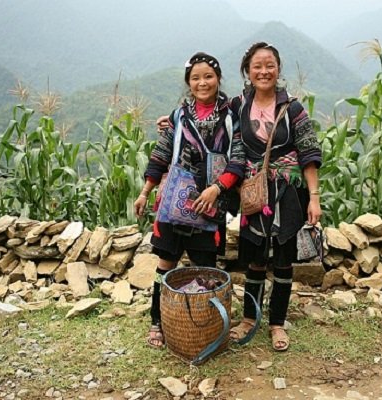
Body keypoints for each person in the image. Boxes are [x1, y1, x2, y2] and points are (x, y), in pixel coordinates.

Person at [134, 52, 245, 349]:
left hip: (211, 205)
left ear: (218, 79)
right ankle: (158, 320)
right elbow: (160, 155)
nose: (202, 82)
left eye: (208, 76)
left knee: (206, 267)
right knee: (164, 264)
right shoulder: (178, 116)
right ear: (188, 83)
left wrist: (217, 189)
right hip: (173, 203)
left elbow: (238, 161)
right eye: (195, 78)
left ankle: (205, 323)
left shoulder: (231, 117)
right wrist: (146, 191)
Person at [228, 42, 322, 351]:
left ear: (278, 69)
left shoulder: (293, 108)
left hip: (287, 193)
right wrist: (172, 121)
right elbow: (205, 112)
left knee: (282, 261)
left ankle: (277, 323)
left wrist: (314, 198)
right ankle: (248, 319)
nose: (264, 71)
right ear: (248, 70)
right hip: (254, 192)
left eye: (269, 65)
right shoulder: (239, 104)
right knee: (255, 258)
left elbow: (308, 154)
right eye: (257, 66)